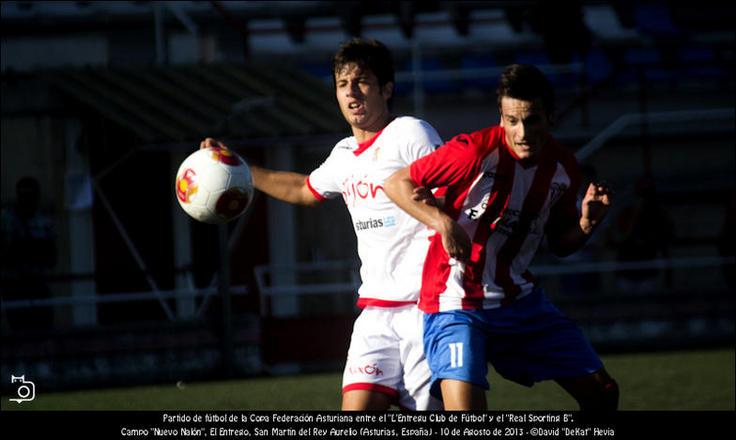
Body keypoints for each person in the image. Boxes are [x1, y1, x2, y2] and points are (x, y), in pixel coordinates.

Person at [200, 38, 443, 410]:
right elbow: (302, 188)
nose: (352, 92)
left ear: (387, 89)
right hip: (375, 314)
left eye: (362, 81)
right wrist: (239, 167)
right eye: (343, 84)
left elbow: (450, 192)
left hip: (424, 308)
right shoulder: (344, 155)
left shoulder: (411, 133)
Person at [384, 64, 618, 411]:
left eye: (532, 120)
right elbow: (396, 183)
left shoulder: (564, 169)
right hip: (457, 303)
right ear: (502, 118)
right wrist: (444, 224)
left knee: (603, 393)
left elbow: (559, 244)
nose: (522, 132)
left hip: (519, 302)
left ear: (550, 117)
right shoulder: (473, 152)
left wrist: (586, 224)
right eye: (512, 121)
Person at [1, 176, 56, 331]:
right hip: (14, 286)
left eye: (31, 197)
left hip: (38, 284)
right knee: (18, 329)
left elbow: (51, 257)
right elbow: (5, 254)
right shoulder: (7, 219)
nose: (27, 202)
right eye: (24, 196)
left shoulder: (44, 221)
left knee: (43, 329)